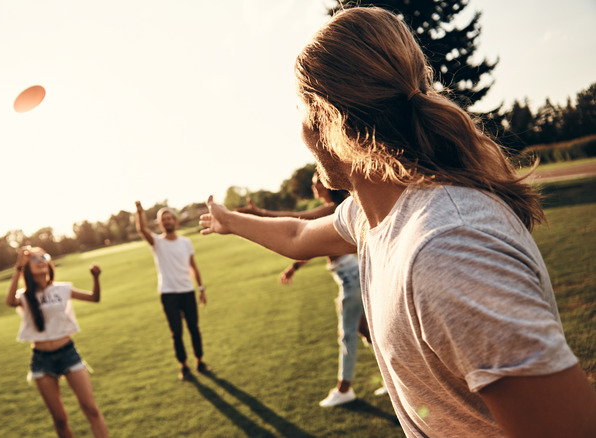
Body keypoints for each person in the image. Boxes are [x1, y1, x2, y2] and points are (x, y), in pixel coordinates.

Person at [199, 6, 596, 437]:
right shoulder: (374, 216)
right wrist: (229, 220)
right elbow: (297, 235)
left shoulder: (446, 248)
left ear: (325, 117)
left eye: (299, 108)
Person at [237, 172, 385, 407]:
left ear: (329, 185)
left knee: (347, 334)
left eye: (317, 183)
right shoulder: (335, 209)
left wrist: (259, 214)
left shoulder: (331, 210)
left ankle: (344, 389)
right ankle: (390, 377)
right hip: (350, 276)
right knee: (366, 331)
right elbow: (313, 244)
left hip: (351, 279)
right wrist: (294, 267)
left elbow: (297, 222)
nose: (315, 187)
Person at [5, 246, 109, 438]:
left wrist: (95, 278)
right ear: (27, 268)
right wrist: (17, 268)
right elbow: (10, 301)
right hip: (42, 360)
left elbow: (94, 298)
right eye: (34, 259)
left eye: (44, 257)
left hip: (69, 353)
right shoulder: (25, 296)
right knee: (60, 420)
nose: (41, 260)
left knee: (91, 409)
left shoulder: (62, 289)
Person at [135, 201, 209, 381]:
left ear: (175, 221)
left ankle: (200, 361)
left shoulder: (186, 242)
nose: (167, 221)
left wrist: (200, 288)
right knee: (177, 332)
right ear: (160, 224)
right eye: (163, 220)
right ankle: (184, 366)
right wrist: (139, 212)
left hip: (187, 291)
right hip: (168, 294)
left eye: (169, 218)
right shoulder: (157, 243)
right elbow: (142, 230)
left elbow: (193, 266)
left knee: (194, 328)